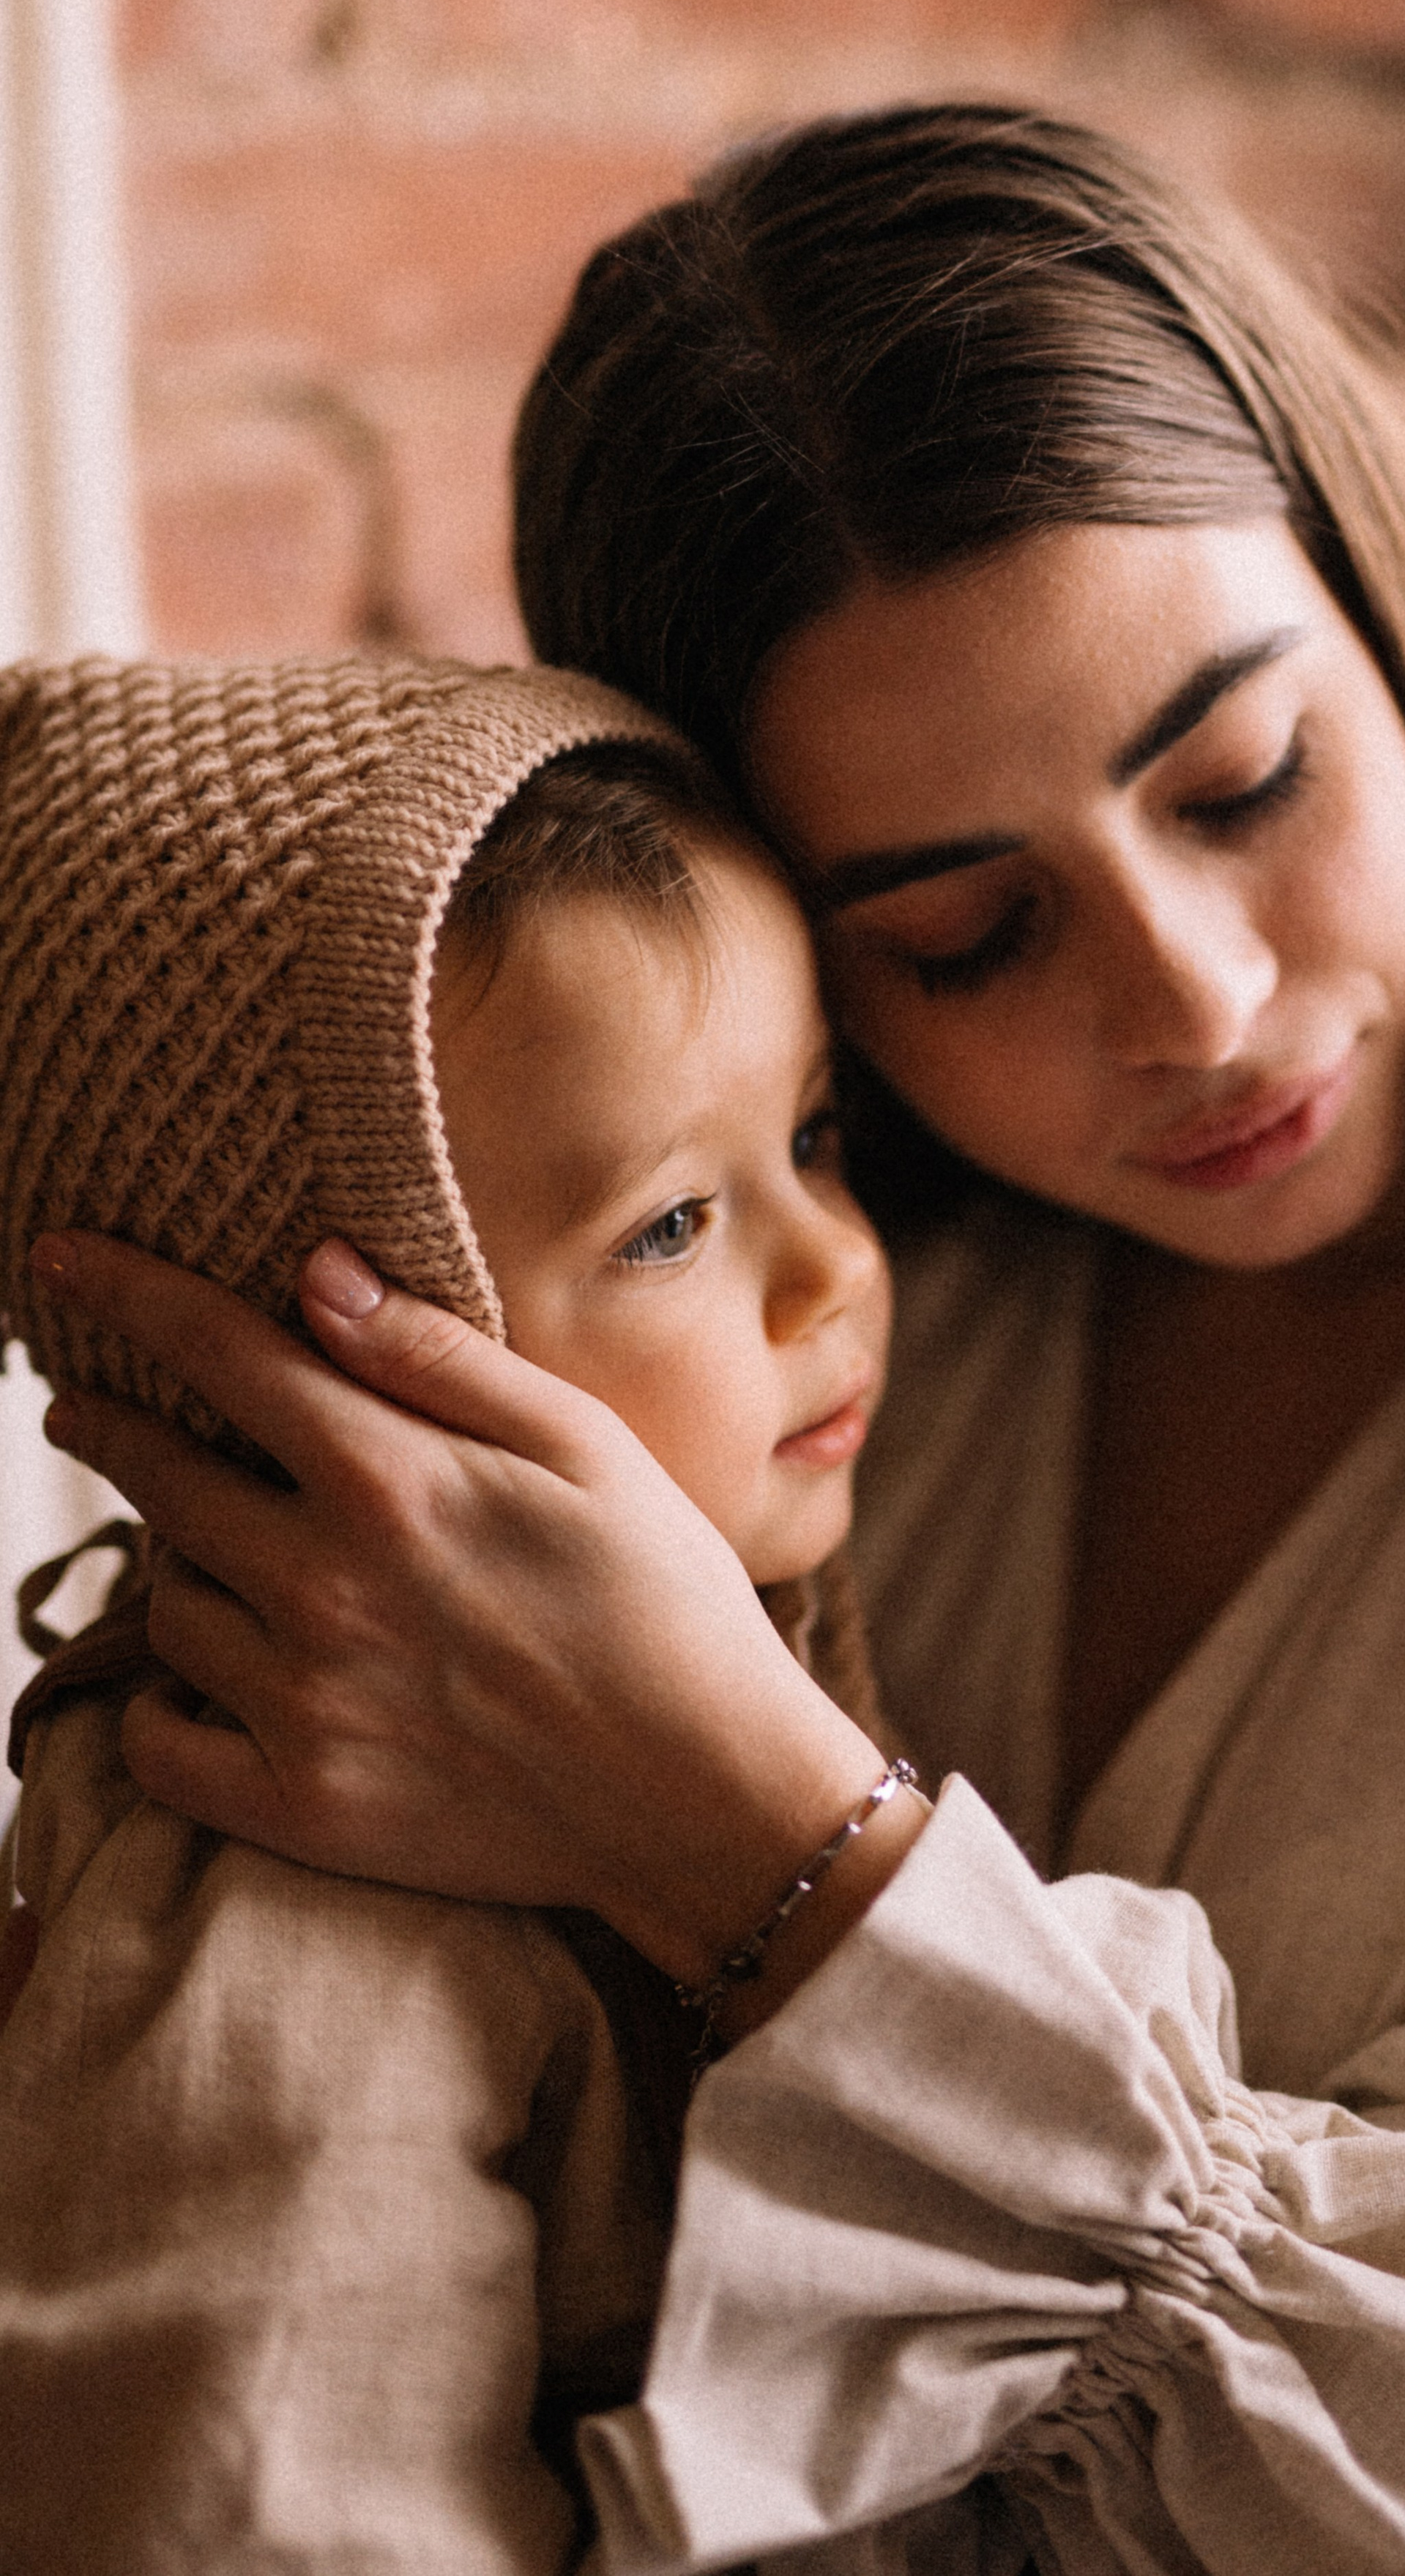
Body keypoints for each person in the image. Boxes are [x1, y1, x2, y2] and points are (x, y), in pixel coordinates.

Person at [29, 105, 1405, 2570]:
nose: (1200, 1009)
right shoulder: (807, 1354)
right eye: (963, 939)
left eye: (1243, 776)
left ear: (1394, 603)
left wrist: (754, 1842)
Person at [0, 652, 897, 2573]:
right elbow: (245, 2494)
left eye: (814, 1138)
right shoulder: (295, 1901)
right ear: (324, 1369)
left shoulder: (777, 1643)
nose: (834, 1267)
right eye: (671, 1223)